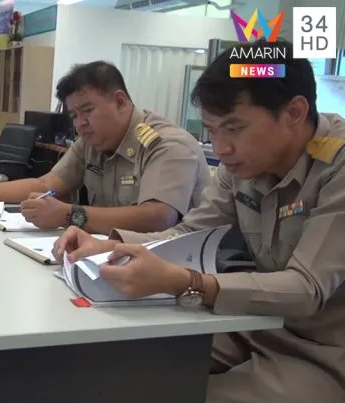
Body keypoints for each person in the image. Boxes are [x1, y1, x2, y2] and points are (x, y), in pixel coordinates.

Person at [52, 39, 345, 402]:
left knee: (185, 393)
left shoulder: (336, 168)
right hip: (251, 324)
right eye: (212, 130)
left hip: (320, 349)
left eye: (234, 129)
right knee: (125, 366)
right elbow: (189, 232)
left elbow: (306, 289)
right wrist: (109, 245)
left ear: (295, 112)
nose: (220, 149)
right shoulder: (243, 165)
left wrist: (187, 283)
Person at [0, 61, 210, 235]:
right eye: (74, 115)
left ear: (120, 102)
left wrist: (69, 215)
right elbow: (46, 185)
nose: (80, 124)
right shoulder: (91, 142)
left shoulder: (167, 145)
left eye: (87, 111)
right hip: (109, 254)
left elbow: (157, 217)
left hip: (176, 268)